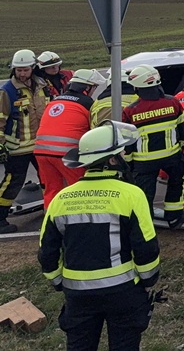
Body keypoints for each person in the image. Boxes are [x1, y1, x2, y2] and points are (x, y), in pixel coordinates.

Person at [39, 121, 160, 351]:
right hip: (123, 291)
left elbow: (47, 251)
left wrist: (57, 282)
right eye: (122, 152)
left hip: (77, 295)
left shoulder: (61, 199)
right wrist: (148, 280)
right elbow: (146, 248)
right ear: (112, 160)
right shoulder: (131, 194)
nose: (126, 156)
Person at [120, 64, 184, 228]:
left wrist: (129, 162)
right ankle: (174, 217)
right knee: (176, 184)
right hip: (172, 156)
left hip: (144, 163)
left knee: (144, 194)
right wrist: (180, 148)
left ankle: (146, 225)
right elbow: (182, 129)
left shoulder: (130, 111)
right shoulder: (173, 102)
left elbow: (128, 142)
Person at [35, 69, 106, 209]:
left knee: (52, 189)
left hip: (41, 151)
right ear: (87, 87)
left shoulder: (55, 100)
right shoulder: (87, 103)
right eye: (94, 87)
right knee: (80, 188)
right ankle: (79, 221)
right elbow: (93, 131)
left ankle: (51, 222)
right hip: (66, 153)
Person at [0, 49, 50, 233]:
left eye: (25, 69)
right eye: (18, 70)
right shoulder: (7, 91)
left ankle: (51, 212)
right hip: (18, 148)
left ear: (33, 68)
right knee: (12, 182)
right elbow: (0, 119)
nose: (21, 73)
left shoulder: (42, 86)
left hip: (41, 144)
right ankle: (0, 218)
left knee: (47, 179)